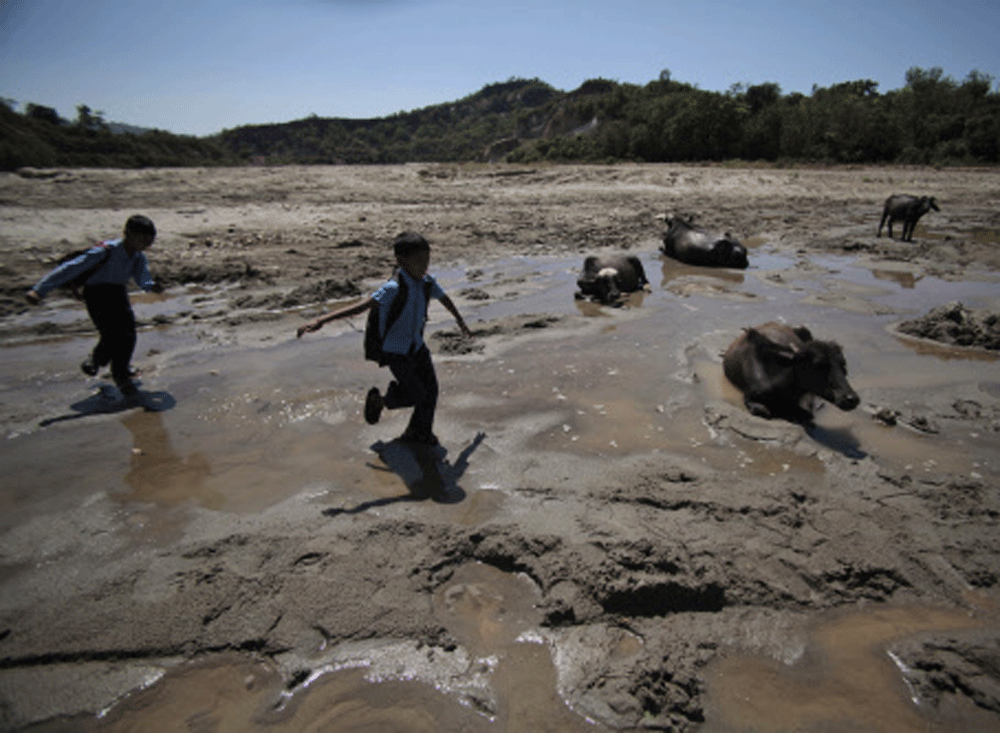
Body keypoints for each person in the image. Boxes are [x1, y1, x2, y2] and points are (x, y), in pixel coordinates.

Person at [297, 231, 472, 446]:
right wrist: (322, 320)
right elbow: (362, 306)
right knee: (416, 394)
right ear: (401, 261)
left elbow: (444, 298)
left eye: (427, 260)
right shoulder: (394, 287)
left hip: (417, 347)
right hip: (396, 351)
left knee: (432, 391)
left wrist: (460, 320)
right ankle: (379, 401)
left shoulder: (427, 282)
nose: (424, 266)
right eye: (418, 261)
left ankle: (419, 433)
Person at [25, 214, 162, 397]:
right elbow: (70, 269)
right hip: (96, 294)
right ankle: (96, 360)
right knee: (110, 333)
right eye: (143, 239)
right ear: (128, 234)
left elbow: (142, 279)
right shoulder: (106, 251)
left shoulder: (138, 257)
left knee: (128, 333)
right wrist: (39, 290)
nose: (147, 244)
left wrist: (152, 286)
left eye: (150, 240)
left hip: (118, 293)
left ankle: (121, 372)